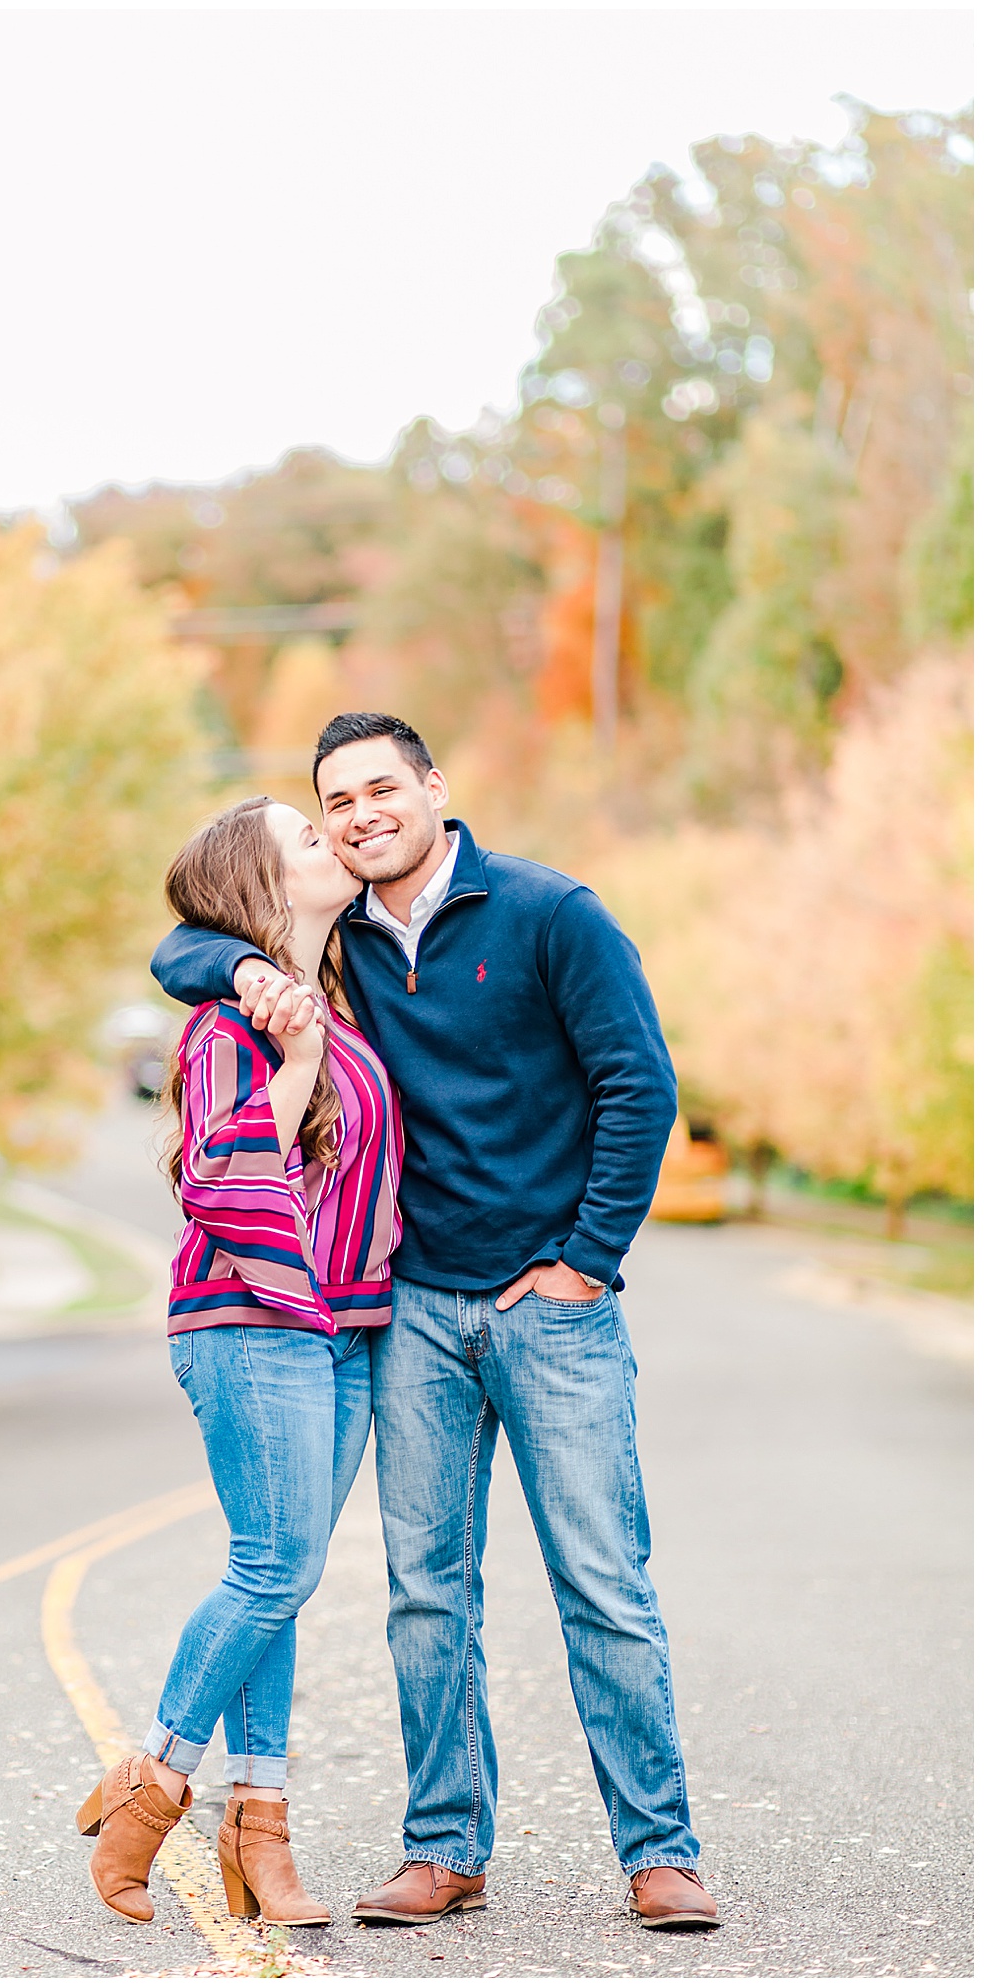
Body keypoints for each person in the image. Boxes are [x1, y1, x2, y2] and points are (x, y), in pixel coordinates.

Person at [151, 713, 719, 1934]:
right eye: (334, 802)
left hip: (550, 1309)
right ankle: (445, 1846)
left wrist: (586, 1262)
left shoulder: (549, 912)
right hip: (410, 1312)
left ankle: (660, 1852)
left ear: (433, 789)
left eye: (377, 789)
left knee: (603, 1583)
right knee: (426, 1593)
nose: (359, 815)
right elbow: (187, 942)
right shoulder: (337, 940)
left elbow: (640, 1084)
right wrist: (242, 968)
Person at [77, 794, 403, 1928]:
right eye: (307, 839)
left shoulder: (337, 1003)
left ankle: (261, 1830)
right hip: (251, 1322)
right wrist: (300, 1055)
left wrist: (318, 1033)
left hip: (345, 1328)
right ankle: (154, 1780)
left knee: (287, 1578)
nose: (335, 841)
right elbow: (222, 1175)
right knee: (273, 1567)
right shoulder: (231, 1029)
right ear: (261, 888)